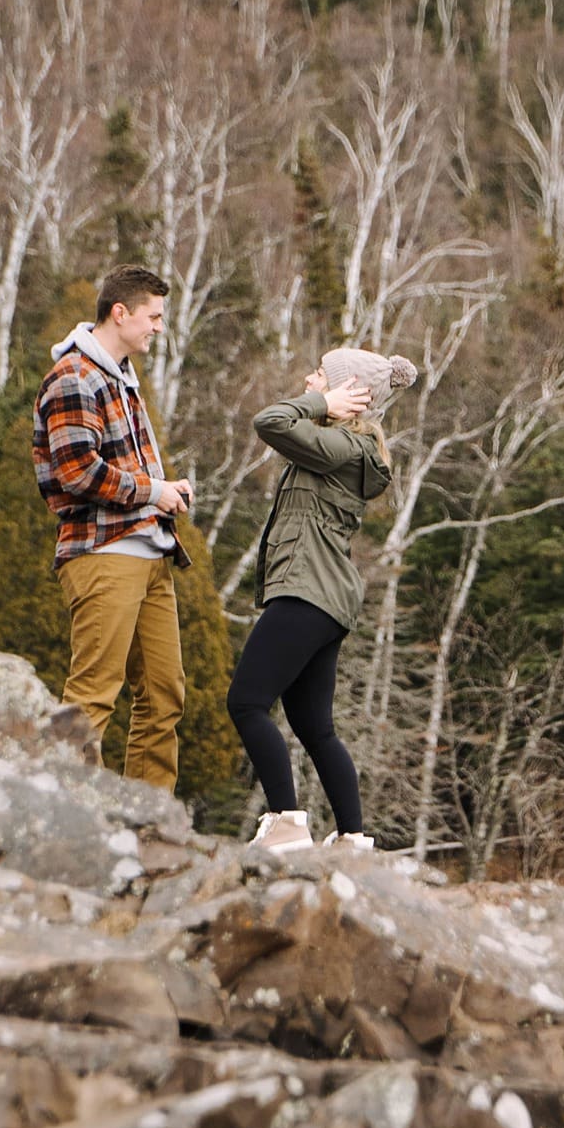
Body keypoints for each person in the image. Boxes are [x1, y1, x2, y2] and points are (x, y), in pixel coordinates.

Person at [233, 347, 417, 853]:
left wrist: (320, 402)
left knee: (246, 702)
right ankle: (353, 840)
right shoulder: (345, 448)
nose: (310, 378)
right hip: (323, 597)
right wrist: (325, 401)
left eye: (322, 374)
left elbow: (268, 421)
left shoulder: (338, 445)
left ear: (349, 393)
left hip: (307, 590)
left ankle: (286, 823)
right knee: (314, 726)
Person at [32, 264, 196, 791]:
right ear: (119, 313)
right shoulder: (74, 377)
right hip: (102, 555)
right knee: (93, 695)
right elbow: (77, 470)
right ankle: (69, 819)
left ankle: (149, 827)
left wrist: (166, 491)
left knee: (165, 697)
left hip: (148, 553)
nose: (158, 327)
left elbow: (116, 470)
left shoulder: (120, 379)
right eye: (153, 316)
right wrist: (154, 490)